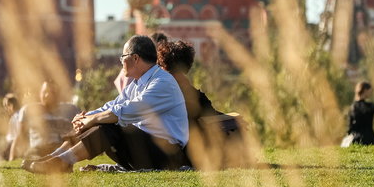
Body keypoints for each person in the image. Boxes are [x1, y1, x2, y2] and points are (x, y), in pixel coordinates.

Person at [24, 35, 188, 174]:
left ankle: (62, 162)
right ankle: (55, 158)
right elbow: (112, 106)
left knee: (110, 124)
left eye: (123, 57)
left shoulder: (162, 82)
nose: (121, 61)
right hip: (145, 149)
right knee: (100, 120)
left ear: (135, 58)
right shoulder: (137, 84)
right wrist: (85, 117)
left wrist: (94, 119)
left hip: (166, 155)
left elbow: (126, 111)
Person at [157, 39, 245, 169]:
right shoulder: (193, 95)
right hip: (193, 151)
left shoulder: (158, 90)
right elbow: (211, 116)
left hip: (167, 149)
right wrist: (235, 120)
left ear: (163, 64)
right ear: (188, 63)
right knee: (236, 123)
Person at [10, 81, 79, 159]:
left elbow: (81, 130)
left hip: (62, 149)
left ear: (58, 95)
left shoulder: (71, 109)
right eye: (45, 92)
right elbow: (20, 136)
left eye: (52, 92)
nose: (48, 95)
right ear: (40, 93)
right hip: (37, 150)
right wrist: (12, 158)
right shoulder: (28, 110)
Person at [3, 93, 21, 160]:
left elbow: (14, 136)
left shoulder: (16, 117)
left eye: (6, 105)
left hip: (15, 145)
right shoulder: (15, 116)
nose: (5, 108)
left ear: (11, 105)